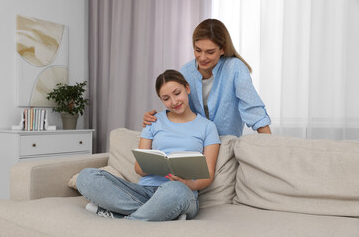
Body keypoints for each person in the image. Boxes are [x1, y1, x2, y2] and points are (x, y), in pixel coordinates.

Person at [76, 70, 220, 221]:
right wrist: (157, 165)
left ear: (187, 88)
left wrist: (187, 183)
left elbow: (208, 175)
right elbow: (139, 168)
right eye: (166, 98)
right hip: (144, 191)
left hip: (182, 192)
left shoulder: (208, 127)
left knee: (175, 190)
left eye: (177, 93)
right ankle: (158, 214)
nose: (174, 101)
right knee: (86, 177)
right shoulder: (153, 121)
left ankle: (125, 219)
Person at [143, 19, 271, 137]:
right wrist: (156, 120)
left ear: (223, 50)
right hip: (194, 142)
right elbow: (178, 108)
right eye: (198, 50)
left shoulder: (235, 68)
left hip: (226, 143)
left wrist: (271, 147)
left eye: (210, 52)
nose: (202, 58)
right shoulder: (186, 72)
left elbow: (253, 110)